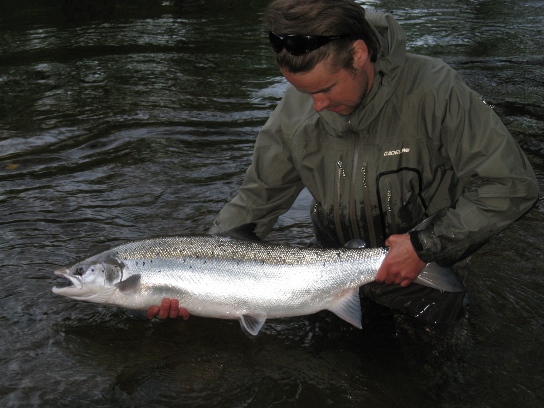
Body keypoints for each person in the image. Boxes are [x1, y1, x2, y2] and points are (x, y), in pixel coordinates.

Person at [147, 0, 538, 324]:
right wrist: (196, 272)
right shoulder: (296, 113)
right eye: (302, 91)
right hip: (325, 282)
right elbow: (256, 199)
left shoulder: (437, 92)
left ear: (359, 54)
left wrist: (425, 245)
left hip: (426, 271)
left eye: (326, 89)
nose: (316, 106)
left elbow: (511, 186)